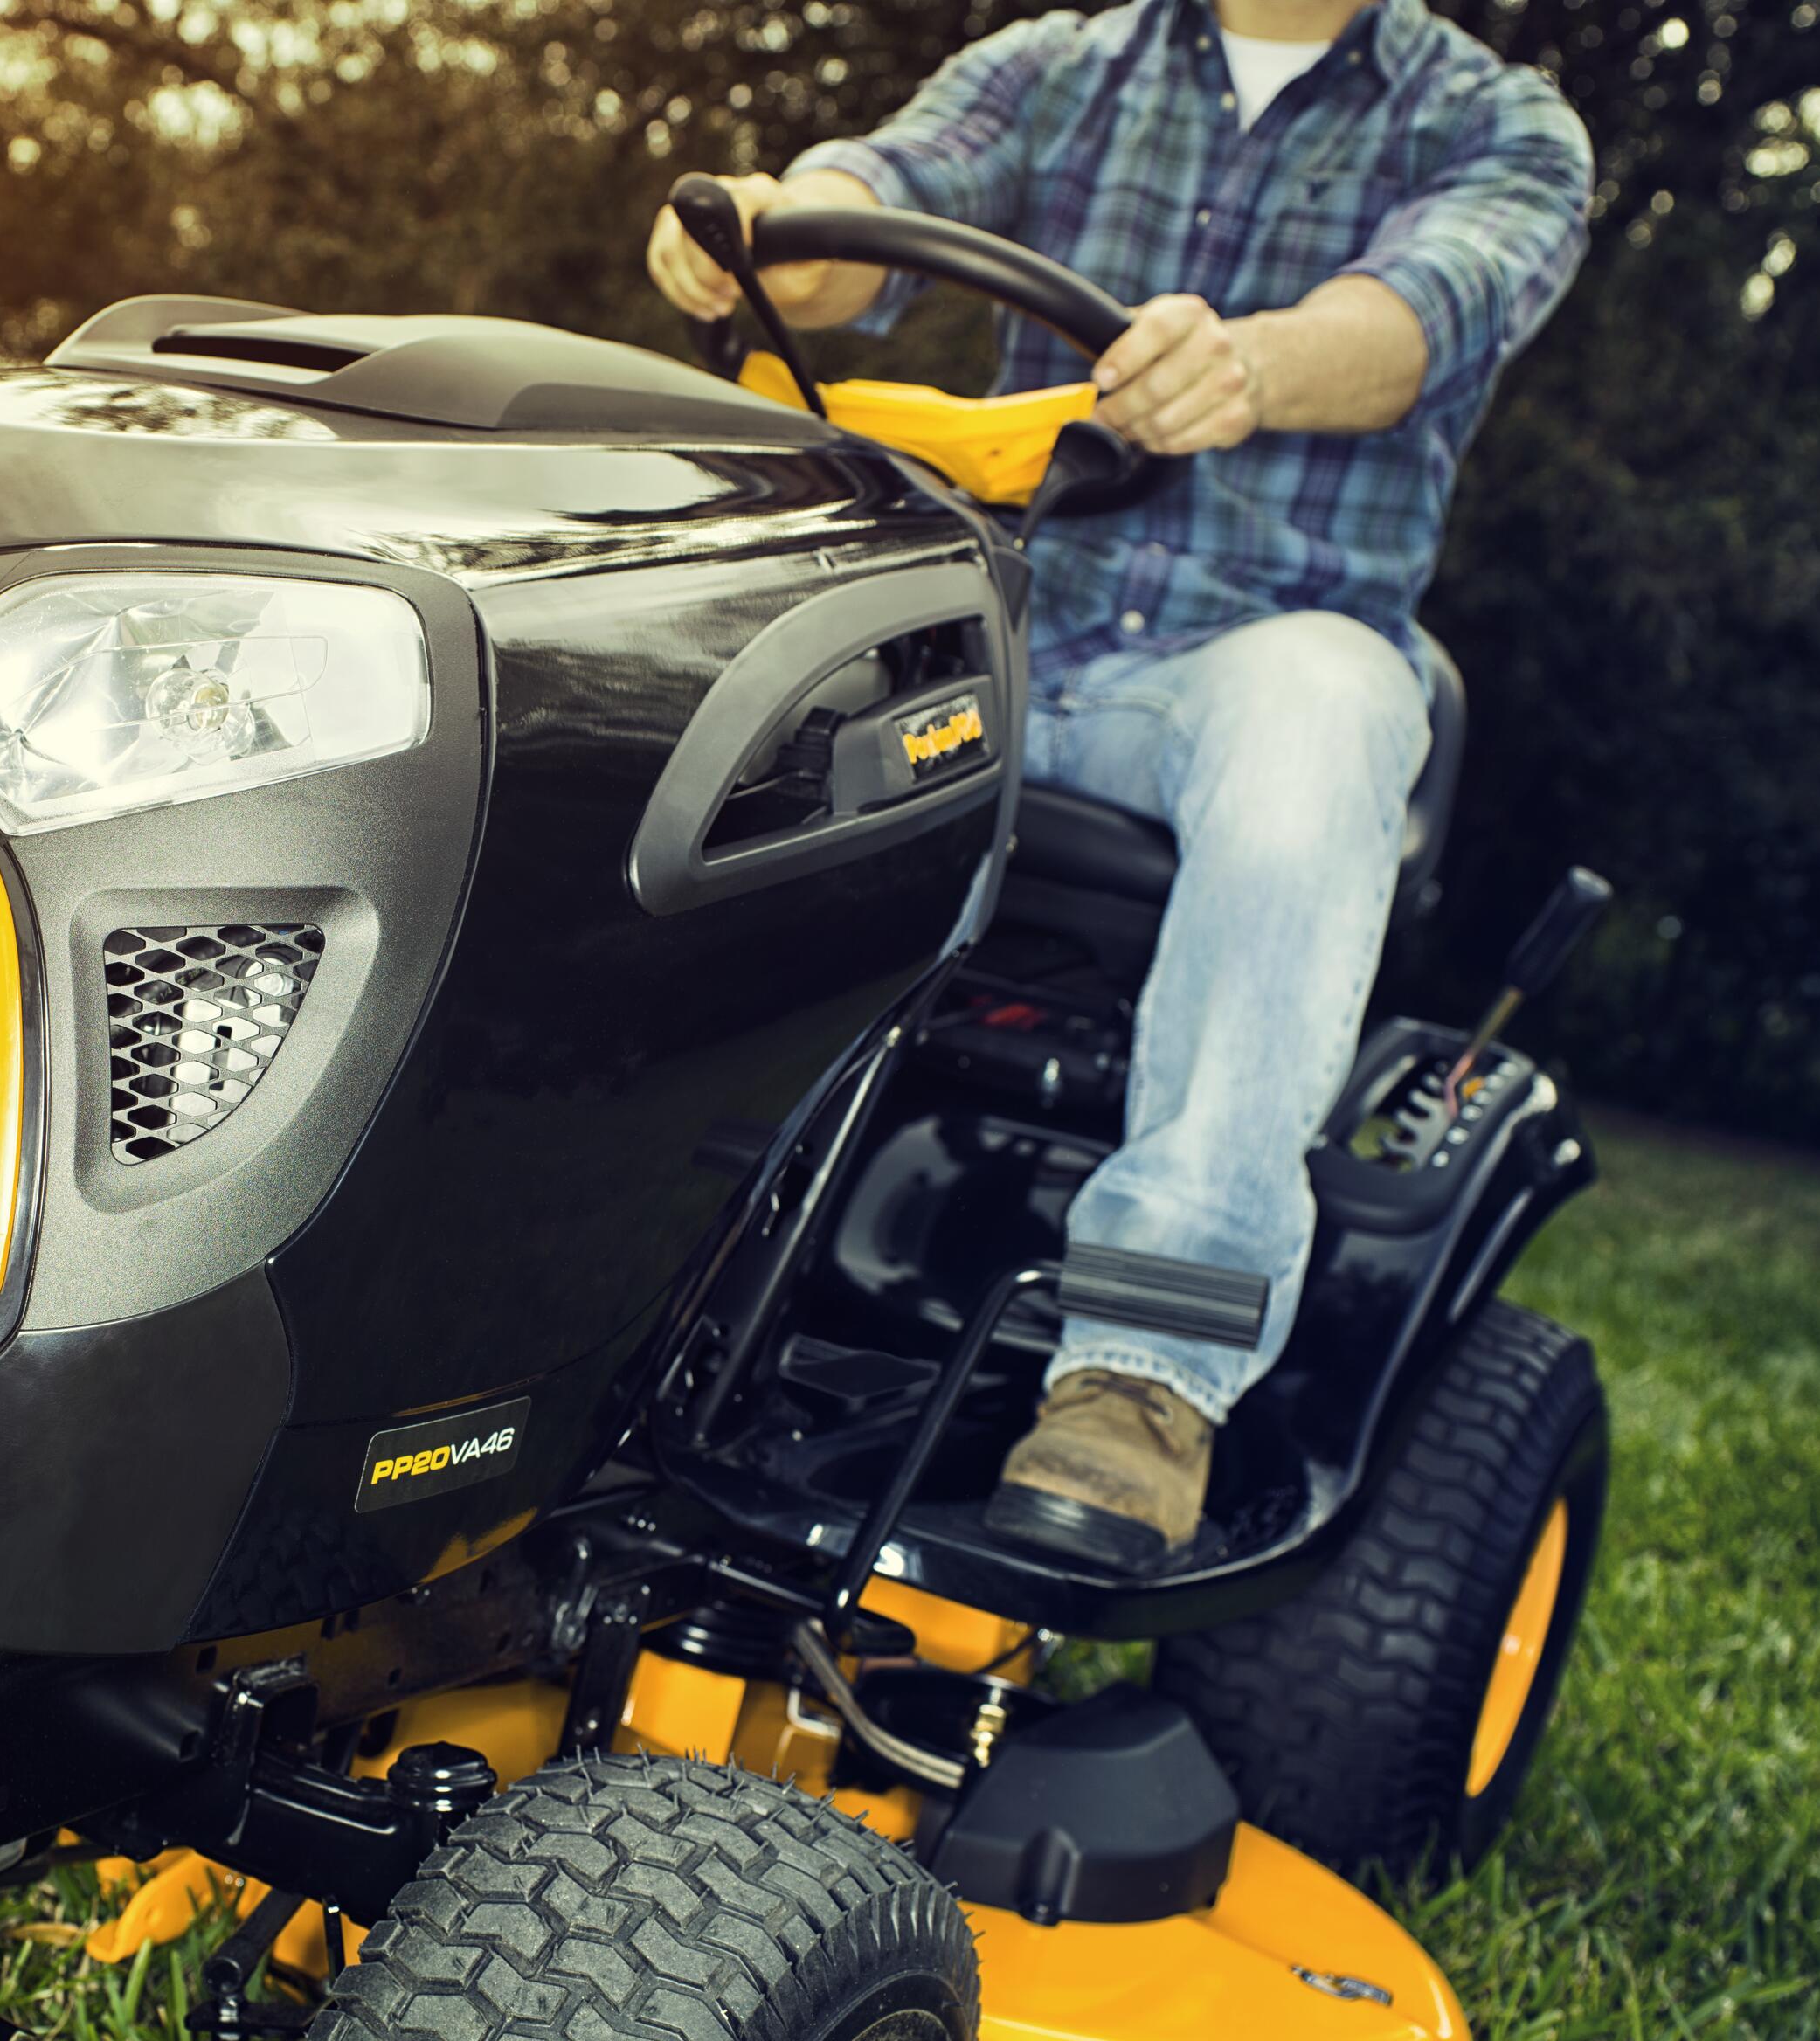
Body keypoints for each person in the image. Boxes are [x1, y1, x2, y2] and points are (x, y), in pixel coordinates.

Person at [647, 0, 1593, 1576]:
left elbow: (1415, 322)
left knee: (1324, 705)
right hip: (1008, 628)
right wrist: (771, 238)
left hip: (1250, 662)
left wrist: (1250, 363)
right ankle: (610, 1237)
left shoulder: (1500, 124)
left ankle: (1146, 1372)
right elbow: (881, 196)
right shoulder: (1057, 67)